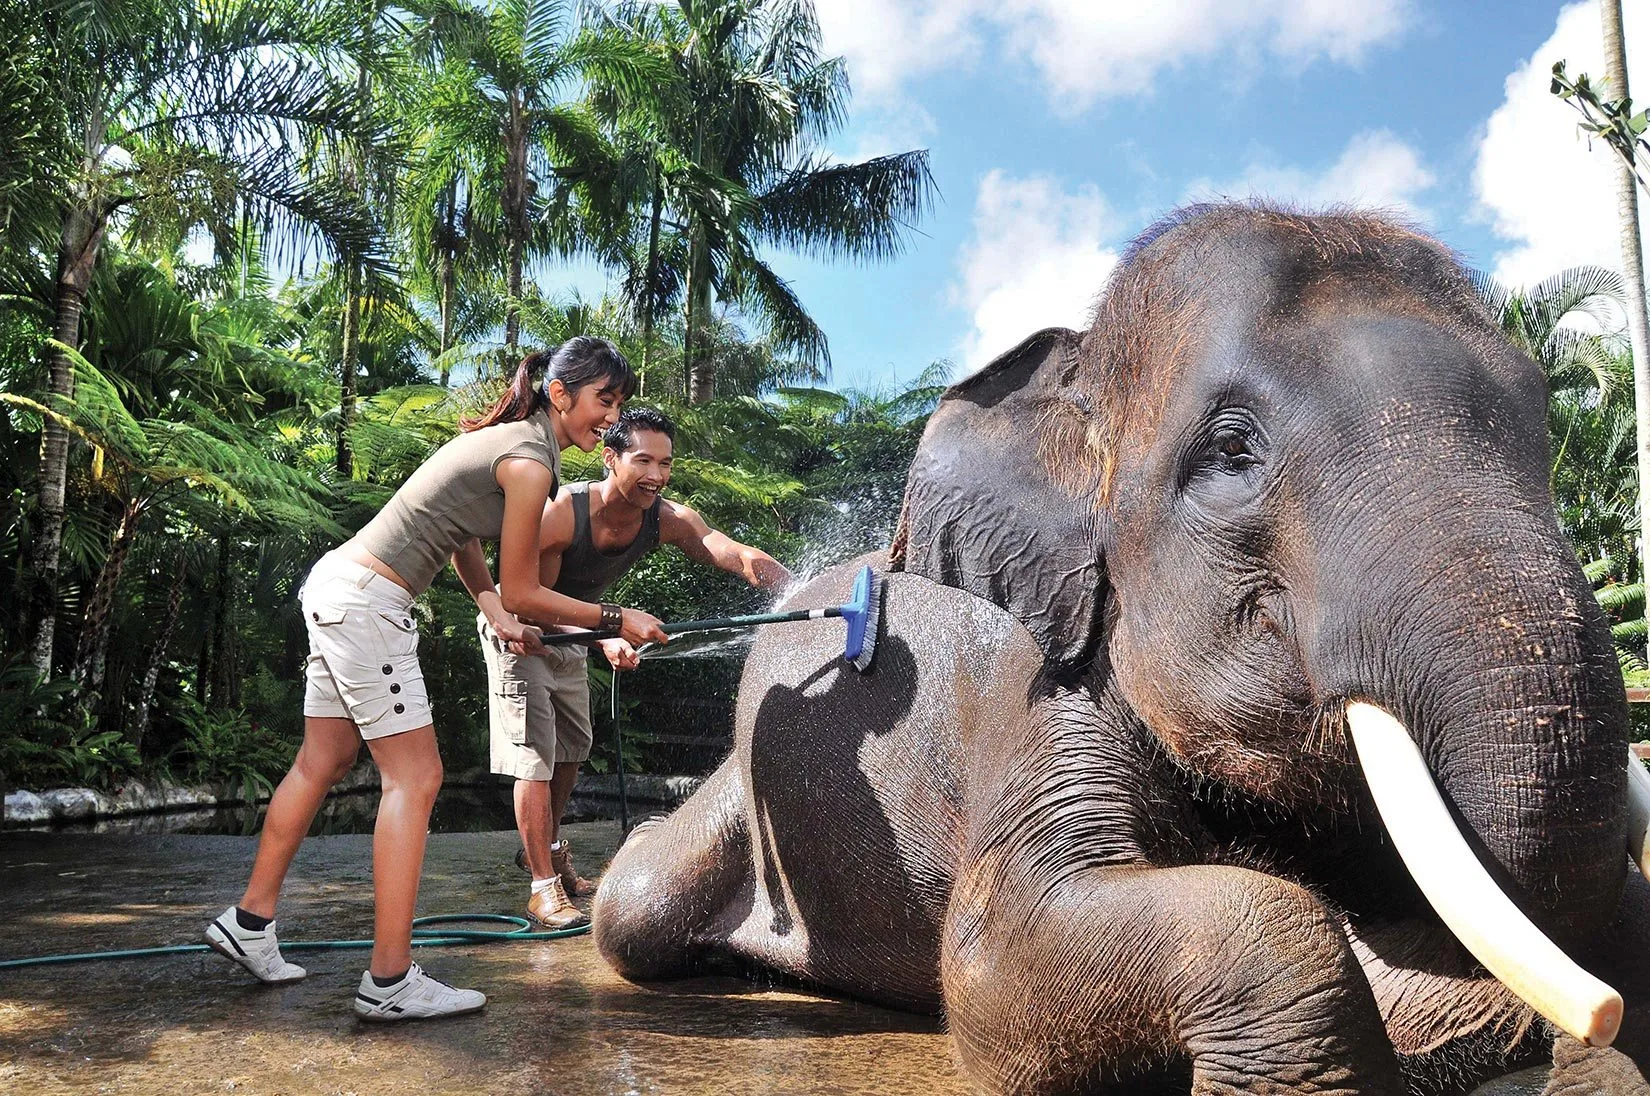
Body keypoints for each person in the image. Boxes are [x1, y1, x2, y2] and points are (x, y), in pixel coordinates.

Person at [203, 338, 668, 1023]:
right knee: (415, 778)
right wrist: (614, 616)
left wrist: (491, 609)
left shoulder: (514, 441)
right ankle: (389, 980)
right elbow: (526, 589)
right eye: (606, 400)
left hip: (339, 584)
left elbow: (461, 535)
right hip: (369, 602)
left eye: (620, 403)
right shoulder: (530, 459)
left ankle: (249, 923)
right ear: (562, 394)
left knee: (324, 759)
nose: (612, 415)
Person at [454, 406, 791, 930]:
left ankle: (549, 847)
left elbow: (720, 547)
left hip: (584, 628)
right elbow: (526, 601)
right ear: (611, 458)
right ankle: (542, 887)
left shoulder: (668, 518)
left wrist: (777, 577)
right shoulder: (564, 511)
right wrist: (607, 634)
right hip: (518, 630)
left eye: (665, 463)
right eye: (643, 461)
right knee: (534, 757)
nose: (655, 475)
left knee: (573, 750)